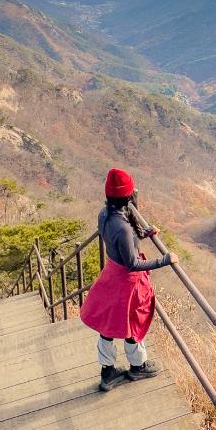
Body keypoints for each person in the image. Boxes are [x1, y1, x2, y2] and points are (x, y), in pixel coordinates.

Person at [79, 167, 177, 391]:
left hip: (111, 275)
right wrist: (165, 260)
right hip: (127, 281)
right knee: (132, 323)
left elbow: (122, 240)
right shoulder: (122, 227)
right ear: (128, 196)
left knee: (108, 323)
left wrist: (145, 232)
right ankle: (138, 366)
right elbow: (132, 263)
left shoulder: (104, 215)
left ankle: (108, 371)